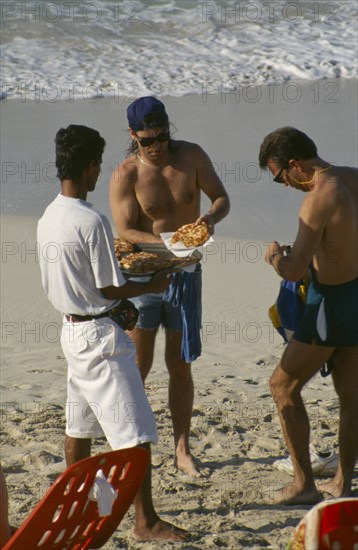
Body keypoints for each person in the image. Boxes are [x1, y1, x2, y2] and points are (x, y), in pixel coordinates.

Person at [37, 125, 188, 541]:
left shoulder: (48, 216)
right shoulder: (91, 220)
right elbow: (109, 287)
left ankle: (79, 499)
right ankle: (145, 521)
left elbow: (76, 282)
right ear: (89, 167)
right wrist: (152, 285)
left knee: (79, 426)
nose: (97, 174)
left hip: (70, 332)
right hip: (100, 338)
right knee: (136, 434)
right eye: (97, 167)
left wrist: (115, 299)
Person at [109, 96, 230, 476]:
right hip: (143, 278)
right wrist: (168, 243)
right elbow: (125, 230)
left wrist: (209, 220)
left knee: (179, 364)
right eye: (147, 141)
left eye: (162, 136)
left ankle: (182, 449)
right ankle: (132, 447)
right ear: (133, 136)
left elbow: (222, 199)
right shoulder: (126, 174)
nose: (157, 146)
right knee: (139, 366)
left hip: (185, 276)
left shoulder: (192, 156)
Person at [259, 126, 358, 505]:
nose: (283, 184)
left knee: (282, 387)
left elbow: (294, 271)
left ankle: (303, 483)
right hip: (354, 295)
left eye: (280, 175)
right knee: (351, 397)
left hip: (328, 305)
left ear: (295, 165)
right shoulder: (350, 177)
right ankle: (343, 483)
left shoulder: (317, 199)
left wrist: (275, 258)